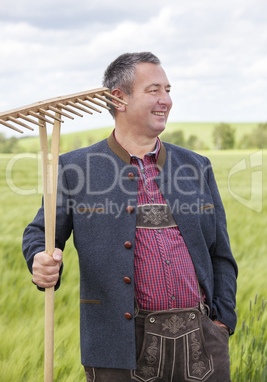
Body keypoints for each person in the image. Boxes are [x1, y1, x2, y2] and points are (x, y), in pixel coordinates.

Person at [23, 52, 238, 381]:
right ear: (118, 99)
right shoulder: (74, 169)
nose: (166, 100)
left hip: (202, 345)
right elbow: (42, 233)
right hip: (119, 351)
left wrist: (221, 322)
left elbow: (220, 252)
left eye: (168, 89)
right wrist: (40, 257)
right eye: (154, 90)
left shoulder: (196, 165)